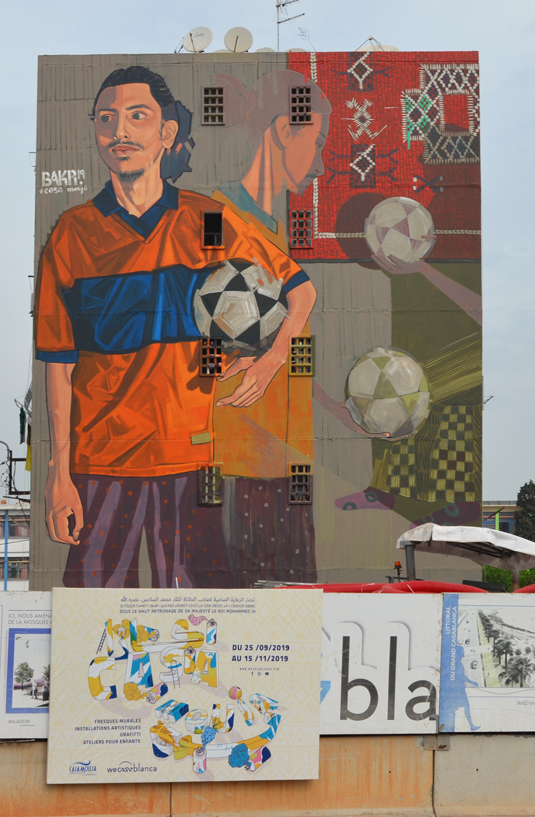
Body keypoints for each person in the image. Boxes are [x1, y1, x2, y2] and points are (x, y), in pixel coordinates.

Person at [36, 66, 316, 589]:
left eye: (137, 116)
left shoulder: (208, 220)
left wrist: (271, 356)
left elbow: (299, 291)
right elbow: (58, 366)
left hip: (190, 461)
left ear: (166, 134)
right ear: (96, 132)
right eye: (107, 118)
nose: (120, 131)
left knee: (199, 623)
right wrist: (58, 474)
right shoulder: (71, 235)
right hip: (99, 466)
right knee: (94, 622)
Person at [209, 70, 332, 585]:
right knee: (250, 595)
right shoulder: (219, 217)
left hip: (286, 458)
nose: (322, 162)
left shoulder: (272, 231)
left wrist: (335, 411)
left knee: (297, 593)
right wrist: (261, 356)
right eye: (317, 140)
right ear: (284, 130)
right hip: (242, 458)